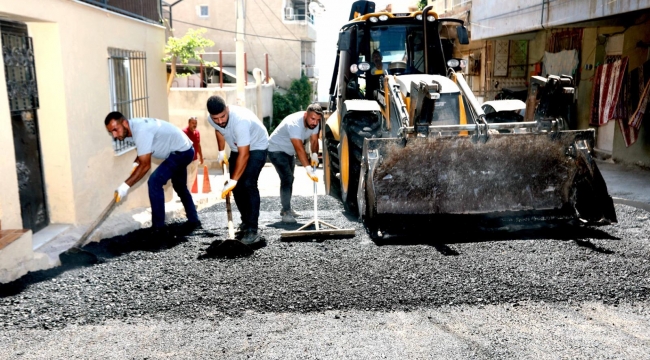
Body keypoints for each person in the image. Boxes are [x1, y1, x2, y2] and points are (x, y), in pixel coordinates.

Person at [104, 112, 200, 235]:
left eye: (115, 130)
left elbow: (145, 165)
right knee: (180, 186)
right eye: (111, 132)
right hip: (183, 149)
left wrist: (125, 186)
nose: (114, 135)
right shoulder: (131, 130)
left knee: (154, 182)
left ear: (124, 123)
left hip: (181, 152)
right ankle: (194, 220)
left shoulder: (140, 130)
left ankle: (158, 229)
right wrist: (135, 163)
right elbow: (144, 151)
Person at [206, 95, 268, 245]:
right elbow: (219, 131)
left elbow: (245, 154)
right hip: (237, 147)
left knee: (247, 183)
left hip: (257, 146)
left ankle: (253, 230)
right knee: (237, 188)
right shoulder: (212, 119)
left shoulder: (240, 121)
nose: (220, 121)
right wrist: (221, 152)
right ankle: (246, 222)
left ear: (227, 109)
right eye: (216, 118)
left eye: (223, 116)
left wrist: (233, 180)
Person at [267, 104, 321, 223]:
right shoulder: (295, 124)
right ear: (306, 115)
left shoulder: (314, 123)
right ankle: (286, 213)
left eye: (318, 120)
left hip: (288, 152)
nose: (315, 122)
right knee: (287, 178)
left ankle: (286, 208)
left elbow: (314, 140)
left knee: (290, 179)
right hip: (276, 149)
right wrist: (308, 169)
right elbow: (299, 149)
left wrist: (315, 154)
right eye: (312, 119)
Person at [182, 116, 204, 191]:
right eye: (193, 123)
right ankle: (188, 197)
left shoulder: (197, 132)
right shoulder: (184, 132)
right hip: (186, 160)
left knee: (192, 178)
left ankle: (187, 193)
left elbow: (198, 144)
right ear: (189, 123)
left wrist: (201, 156)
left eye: (195, 123)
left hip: (195, 159)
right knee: (188, 179)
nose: (194, 124)